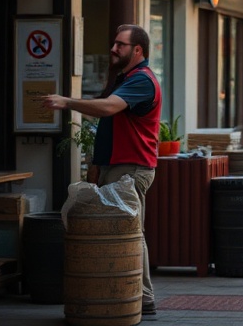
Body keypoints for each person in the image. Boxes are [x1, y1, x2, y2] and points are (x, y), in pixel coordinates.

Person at [43, 24, 161, 320]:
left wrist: (67, 102)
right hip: (117, 166)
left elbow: (108, 109)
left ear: (138, 50)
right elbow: (110, 126)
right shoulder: (125, 78)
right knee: (128, 233)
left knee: (132, 234)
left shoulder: (142, 80)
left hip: (131, 168)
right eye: (114, 43)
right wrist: (97, 163)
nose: (113, 49)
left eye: (120, 45)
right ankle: (135, 296)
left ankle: (143, 298)